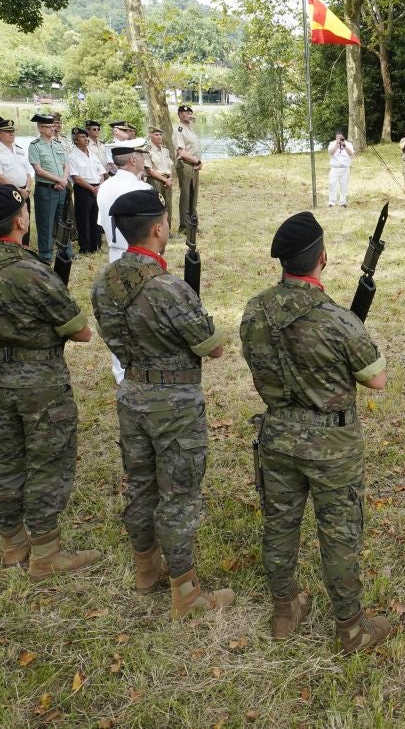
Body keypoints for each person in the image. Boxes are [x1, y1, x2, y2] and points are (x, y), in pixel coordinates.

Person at [240, 211, 393, 652]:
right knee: (340, 533)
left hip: (276, 435)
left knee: (280, 524)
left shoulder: (255, 309)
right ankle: (350, 629)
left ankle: (284, 611)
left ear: (284, 262)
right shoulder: (338, 320)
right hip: (332, 445)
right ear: (322, 257)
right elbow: (376, 379)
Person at [91, 189, 236, 616]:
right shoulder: (168, 288)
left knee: (140, 486)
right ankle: (186, 594)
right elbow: (212, 346)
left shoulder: (104, 282)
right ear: (158, 228)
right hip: (174, 404)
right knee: (179, 495)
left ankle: (145, 571)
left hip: (131, 393)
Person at [0, 184, 98, 578]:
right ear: (20, 220)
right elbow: (80, 331)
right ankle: (46, 554)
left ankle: (12, 544)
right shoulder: (31, 271)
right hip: (40, 380)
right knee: (49, 462)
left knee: (6, 459)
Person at [97, 144, 151, 264]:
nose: (144, 159)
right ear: (133, 160)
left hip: (115, 254)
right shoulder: (143, 188)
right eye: (142, 155)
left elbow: (102, 221)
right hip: (139, 255)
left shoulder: (104, 186)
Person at [26, 114, 70, 263]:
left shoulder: (58, 144)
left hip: (61, 188)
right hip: (46, 189)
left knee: (63, 220)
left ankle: (66, 250)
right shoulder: (35, 145)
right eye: (49, 127)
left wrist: (63, 180)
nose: (53, 129)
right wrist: (59, 180)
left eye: (53, 126)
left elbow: (66, 164)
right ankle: (46, 254)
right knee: (45, 222)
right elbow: (38, 170)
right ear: (40, 128)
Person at [67, 127, 106, 255]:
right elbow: (76, 178)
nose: (86, 139)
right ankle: (85, 247)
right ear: (76, 141)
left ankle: (96, 245)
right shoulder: (72, 156)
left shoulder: (92, 154)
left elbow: (101, 172)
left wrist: (99, 186)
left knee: (97, 217)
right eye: (83, 137)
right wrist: (91, 188)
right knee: (83, 218)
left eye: (86, 137)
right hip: (83, 189)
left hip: (97, 188)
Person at [172, 105, 203, 230]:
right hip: (185, 165)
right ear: (180, 115)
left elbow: (194, 150)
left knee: (193, 195)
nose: (189, 114)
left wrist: (198, 162)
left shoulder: (190, 129)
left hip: (193, 164)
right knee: (186, 195)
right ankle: (184, 226)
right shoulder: (179, 130)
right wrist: (196, 160)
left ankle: (193, 224)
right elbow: (182, 153)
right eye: (185, 113)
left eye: (190, 112)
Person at [0, 117, 32, 194]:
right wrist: (19, 191)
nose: (11, 133)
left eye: (12, 131)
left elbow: (28, 174)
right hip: (5, 191)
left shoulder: (20, 150)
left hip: (24, 190)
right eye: (7, 131)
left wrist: (27, 189)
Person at [142, 126, 174, 223]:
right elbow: (149, 170)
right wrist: (165, 180)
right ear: (150, 135)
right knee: (157, 205)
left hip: (167, 181)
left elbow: (170, 166)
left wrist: (170, 178)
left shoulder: (165, 149)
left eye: (160, 135)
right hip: (156, 181)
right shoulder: (146, 149)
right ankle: (156, 231)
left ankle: (167, 230)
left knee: (168, 205)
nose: (159, 137)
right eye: (156, 135)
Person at [326, 132, 354, 207]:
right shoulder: (332, 143)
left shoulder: (348, 144)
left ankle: (343, 202)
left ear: (343, 138)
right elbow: (330, 152)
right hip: (335, 168)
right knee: (332, 183)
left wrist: (344, 146)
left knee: (343, 185)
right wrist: (336, 145)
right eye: (337, 138)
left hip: (345, 168)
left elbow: (351, 153)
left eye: (340, 138)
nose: (339, 139)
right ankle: (332, 202)